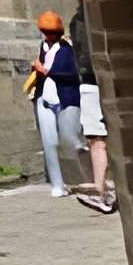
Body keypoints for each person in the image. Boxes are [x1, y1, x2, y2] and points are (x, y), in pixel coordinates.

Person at [25, 10, 84, 196]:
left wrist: (47, 71)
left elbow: (74, 75)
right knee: (50, 142)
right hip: (44, 99)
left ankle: (84, 179)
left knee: (71, 141)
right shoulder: (41, 48)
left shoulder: (67, 50)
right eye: (45, 32)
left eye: (51, 32)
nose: (48, 36)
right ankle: (57, 184)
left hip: (66, 99)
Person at [70, 5, 115, 213]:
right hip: (95, 79)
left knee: (96, 137)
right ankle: (106, 186)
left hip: (90, 81)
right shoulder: (87, 17)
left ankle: (100, 189)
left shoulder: (82, 19)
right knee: (101, 136)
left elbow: (84, 56)